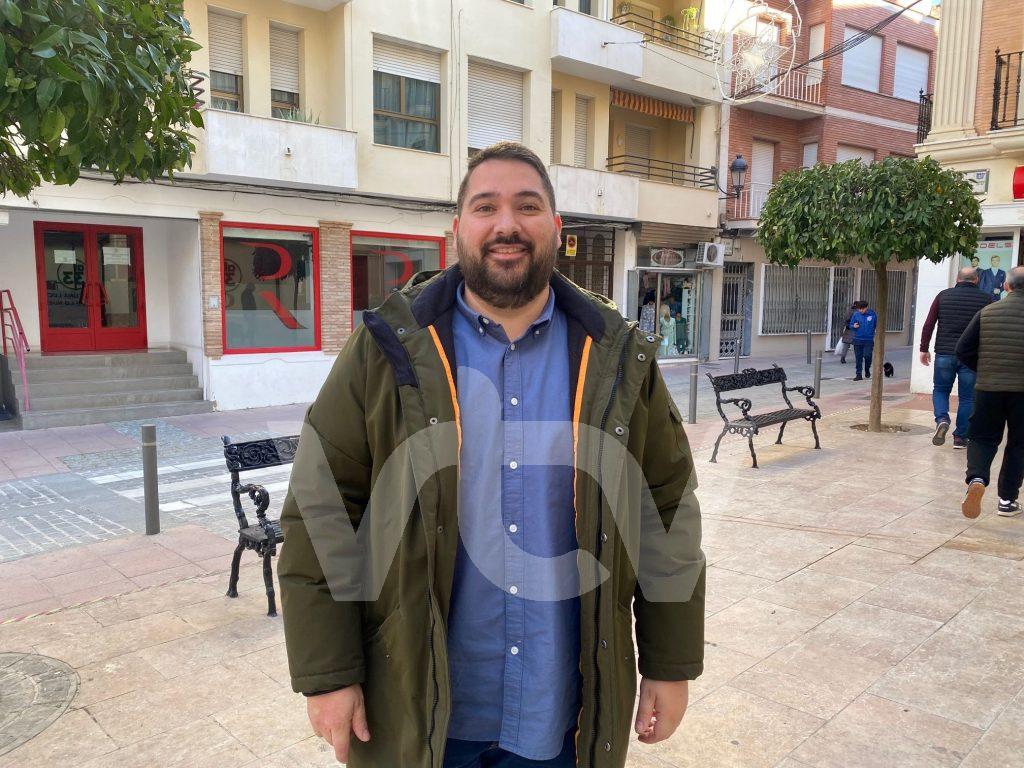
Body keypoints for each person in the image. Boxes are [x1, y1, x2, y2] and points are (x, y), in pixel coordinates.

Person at [277, 141, 705, 768]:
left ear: (556, 226)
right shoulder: (386, 349)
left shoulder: (616, 357)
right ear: (458, 228)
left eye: (527, 206)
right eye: (486, 207)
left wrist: (669, 662)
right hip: (415, 705)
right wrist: (329, 672)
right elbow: (322, 508)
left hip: (561, 713)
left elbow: (665, 509)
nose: (507, 224)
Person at [958, 265, 1024, 519]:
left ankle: (977, 479)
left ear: (1006, 286)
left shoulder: (987, 312)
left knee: (982, 438)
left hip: (988, 388)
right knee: (1019, 445)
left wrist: (985, 369)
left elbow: (963, 349)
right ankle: (1007, 500)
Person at [919, 267, 992, 449]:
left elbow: (929, 324)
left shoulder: (943, 296)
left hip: (945, 353)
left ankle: (942, 419)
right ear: (976, 280)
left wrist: (923, 349)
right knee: (967, 398)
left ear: (958, 279)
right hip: (970, 356)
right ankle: (960, 437)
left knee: (940, 390)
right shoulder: (986, 299)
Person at [848, 300, 877, 381]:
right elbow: (850, 325)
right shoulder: (856, 314)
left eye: (862, 309)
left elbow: (876, 325)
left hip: (868, 339)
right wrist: (853, 326)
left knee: (867, 355)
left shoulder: (872, 314)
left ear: (866, 307)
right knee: (858, 358)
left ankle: (867, 369)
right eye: (859, 309)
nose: (861, 310)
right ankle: (858, 374)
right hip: (857, 339)